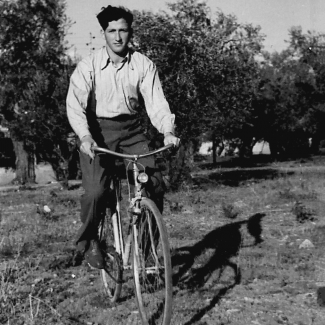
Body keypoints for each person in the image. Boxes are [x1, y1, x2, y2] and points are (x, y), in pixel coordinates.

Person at [66, 5, 180, 269]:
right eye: (111, 31)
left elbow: (157, 103)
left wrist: (168, 132)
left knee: (154, 182)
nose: (117, 37)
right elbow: (75, 106)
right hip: (96, 134)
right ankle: (90, 241)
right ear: (104, 33)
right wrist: (85, 137)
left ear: (130, 33)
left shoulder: (142, 64)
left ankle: (147, 247)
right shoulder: (89, 66)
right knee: (95, 192)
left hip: (131, 132)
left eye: (123, 31)